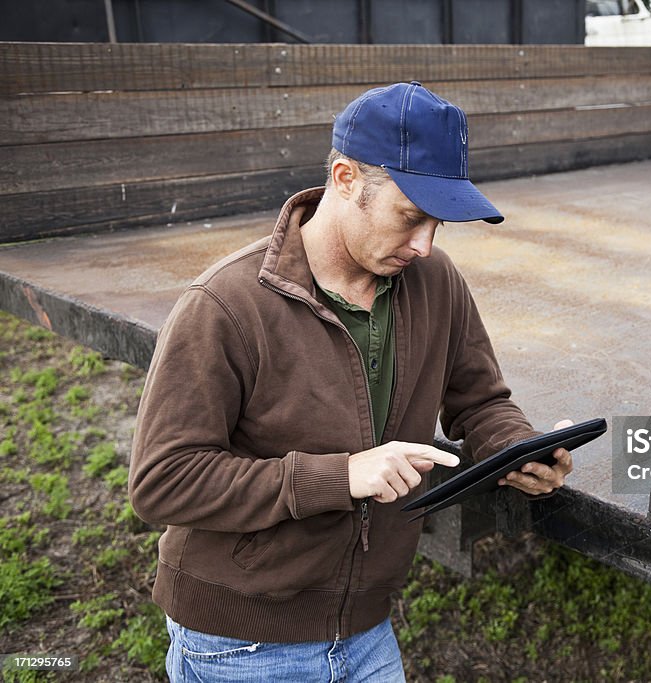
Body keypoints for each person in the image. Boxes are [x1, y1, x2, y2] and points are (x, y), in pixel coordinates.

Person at [128, 81, 573, 682]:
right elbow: (163, 481)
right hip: (238, 643)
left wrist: (516, 450)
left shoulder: (436, 282)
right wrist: (339, 475)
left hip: (365, 631)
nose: (424, 245)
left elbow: (481, 401)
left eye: (438, 224)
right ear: (345, 179)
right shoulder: (225, 305)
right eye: (410, 217)